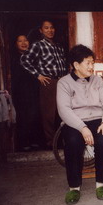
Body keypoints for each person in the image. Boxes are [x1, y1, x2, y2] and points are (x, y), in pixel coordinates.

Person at [56, 44, 103, 205]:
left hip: (98, 120)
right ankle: (74, 187)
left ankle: (101, 184)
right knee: (73, 142)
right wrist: (82, 128)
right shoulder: (64, 83)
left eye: (92, 62)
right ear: (76, 65)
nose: (91, 66)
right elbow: (63, 110)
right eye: (88, 63)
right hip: (74, 122)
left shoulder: (97, 80)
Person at [21, 20, 67, 149]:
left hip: (61, 81)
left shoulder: (58, 46)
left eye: (52, 27)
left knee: (62, 111)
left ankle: (62, 141)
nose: (50, 30)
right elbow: (24, 60)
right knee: (49, 114)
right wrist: (38, 75)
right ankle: (50, 143)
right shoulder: (38, 45)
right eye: (46, 28)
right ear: (41, 30)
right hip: (49, 82)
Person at [10, 34, 41, 151]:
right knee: (23, 116)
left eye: (26, 40)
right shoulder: (14, 58)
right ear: (15, 44)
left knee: (35, 115)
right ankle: (23, 143)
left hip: (34, 90)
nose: (23, 43)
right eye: (20, 41)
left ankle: (34, 141)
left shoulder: (33, 57)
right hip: (21, 92)